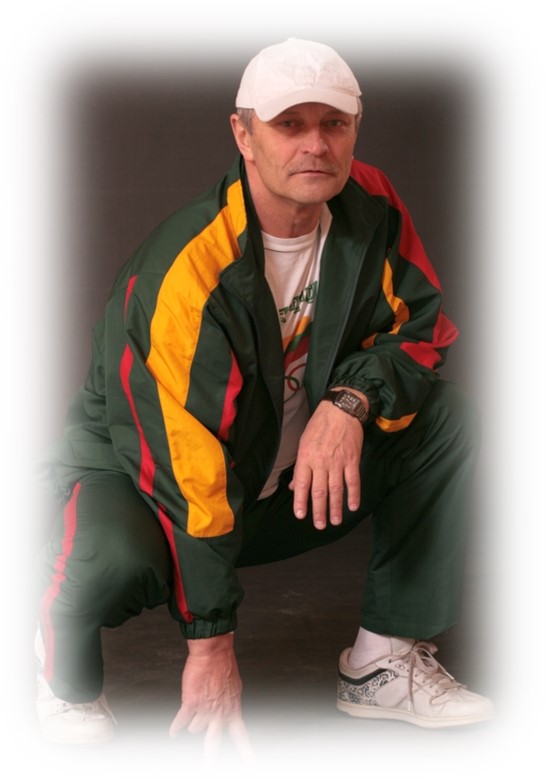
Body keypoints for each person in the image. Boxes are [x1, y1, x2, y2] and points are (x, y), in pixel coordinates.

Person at [35, 37, 494, 751]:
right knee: (108, 563)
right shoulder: (185, 271)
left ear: (355, 128)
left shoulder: (369, 201)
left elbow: (420, 328)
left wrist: (348, 403)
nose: (316, 145)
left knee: (446, 420)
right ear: (244, 134)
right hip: (141, 490)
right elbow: (184, 469)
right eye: (289, 124)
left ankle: (382, 662)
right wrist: (212, 642)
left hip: (263, 486)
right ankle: (51, 657)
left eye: (334, 123)